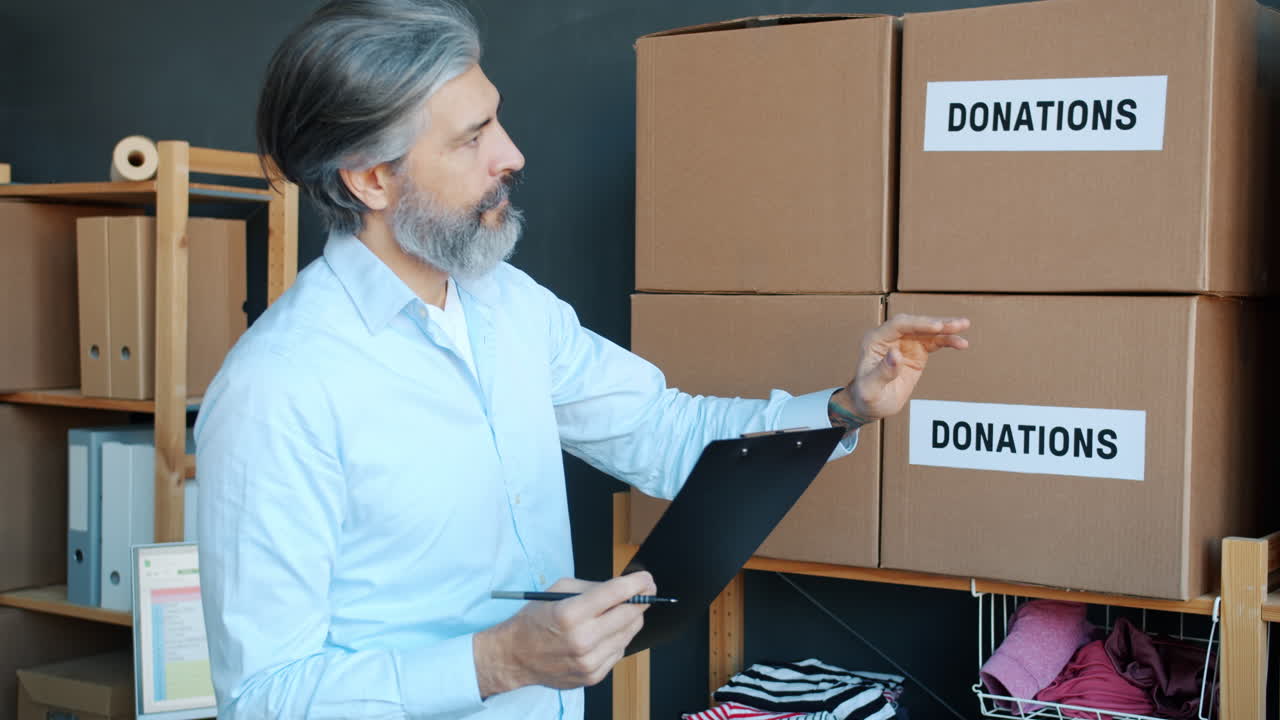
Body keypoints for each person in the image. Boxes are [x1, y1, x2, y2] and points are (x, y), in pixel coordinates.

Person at [194, 1, 971, 718]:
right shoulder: (278, 388)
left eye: (495, 120)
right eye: (470, 139)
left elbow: (663, 434)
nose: (512, 154)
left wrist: (843, 408)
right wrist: (495, 662)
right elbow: (263, 695)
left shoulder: (508, 303)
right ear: (370, 179)